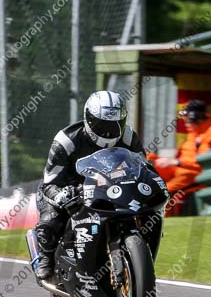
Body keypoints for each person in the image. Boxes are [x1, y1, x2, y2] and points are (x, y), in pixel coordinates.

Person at [34, 90, 145, 280]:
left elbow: (142, 166)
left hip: (109, 189)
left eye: (115, 124)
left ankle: (137, 256)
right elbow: (50, 181)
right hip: (67, 189)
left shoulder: (128, 137)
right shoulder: (66, 140)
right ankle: (46, 257)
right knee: (49, 225)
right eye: (102, 124)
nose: (109, 130)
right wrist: (62, 195)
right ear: (88, 118)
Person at [148, 99, 211, 194]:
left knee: (162, 191)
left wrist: (176, 162)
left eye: (188, 122)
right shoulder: (194, 132)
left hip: (194, 173)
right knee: (149, 163)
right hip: (180, 169)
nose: (186, 124)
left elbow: (204, 163)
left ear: (197, 118)